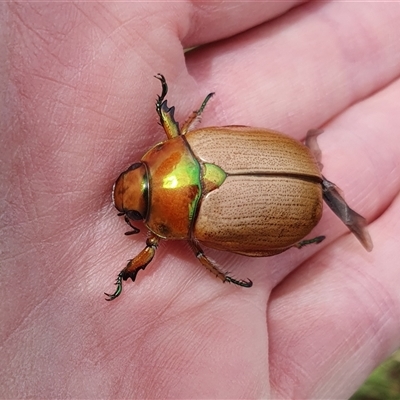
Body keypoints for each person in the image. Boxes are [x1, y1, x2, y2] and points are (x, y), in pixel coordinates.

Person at [1, 2, 399, 398]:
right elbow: (176, 130)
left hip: (290, 181)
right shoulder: (186, 143)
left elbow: (163, 242)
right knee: (232, 245)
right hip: (288, 167)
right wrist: (164, 111)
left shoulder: (180, 221)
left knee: (223, 248)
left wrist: (131, 273)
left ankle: (294, 241)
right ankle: (296, 240)